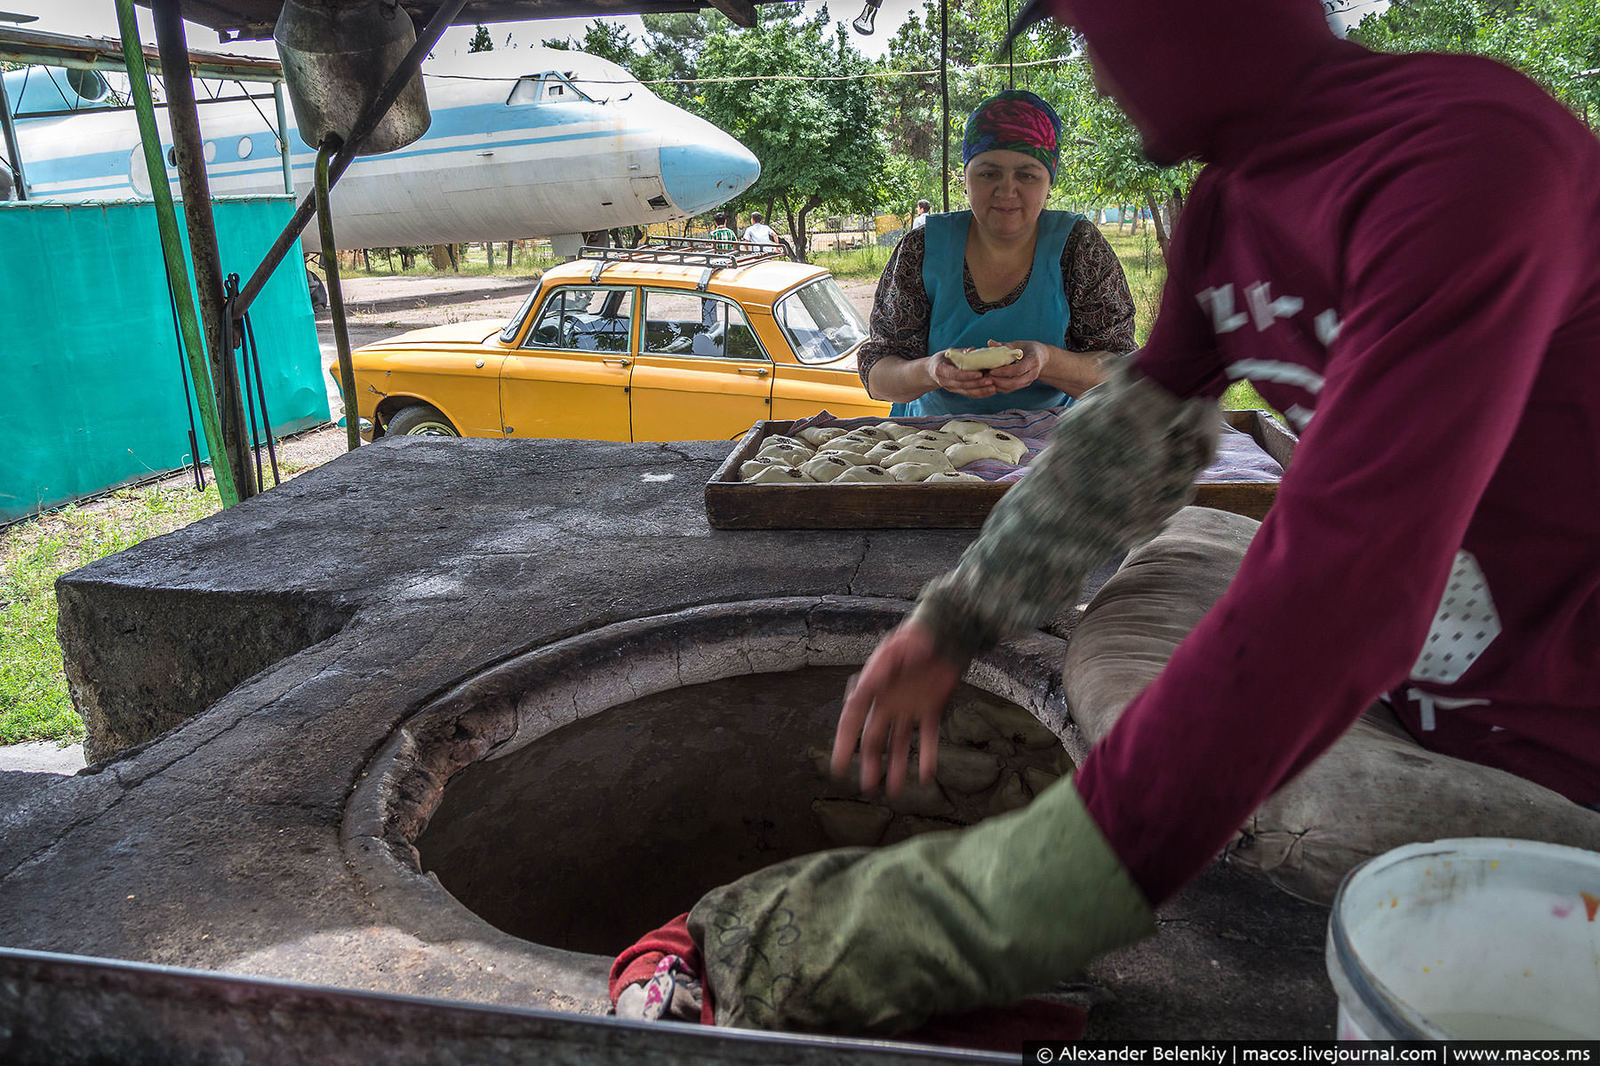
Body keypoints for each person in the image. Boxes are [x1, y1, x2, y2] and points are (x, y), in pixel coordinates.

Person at [613, 0, 1600, 1038]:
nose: (1094, 69)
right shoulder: (1230, 207)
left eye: (1096, 29)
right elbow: (1130, 435)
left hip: (1561, 739)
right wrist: (957, 619)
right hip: (1433, 686)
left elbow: (1345, 590)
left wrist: (1006, 900)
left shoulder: (1466, 153)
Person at [859, 90, 1134, 419]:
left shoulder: (1079, 248)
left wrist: (1045, 361)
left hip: (1052, 444)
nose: (1007, 191)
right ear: (966, 177)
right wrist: (931, 371)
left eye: (1027, 174)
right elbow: (878, 377)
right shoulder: (921, 248)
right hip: (931, 444)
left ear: (1049, 182)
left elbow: (1121, 374)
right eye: (989, 173)